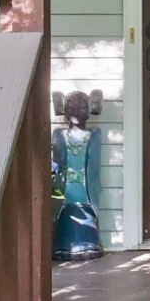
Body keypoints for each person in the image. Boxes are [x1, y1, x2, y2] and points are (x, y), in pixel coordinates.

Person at [51, 89, 104, 261]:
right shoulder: (59, 135)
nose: (76, 111)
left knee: (86, 212)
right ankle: (64, 245)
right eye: (72, 106)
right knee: (65, 212)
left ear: (90, 110)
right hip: (66, 188)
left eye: (82, 107)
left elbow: (94, 167)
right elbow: (57, 162)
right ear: (64, 109)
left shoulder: (93, 135)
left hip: (85, 188)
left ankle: (88, 243)